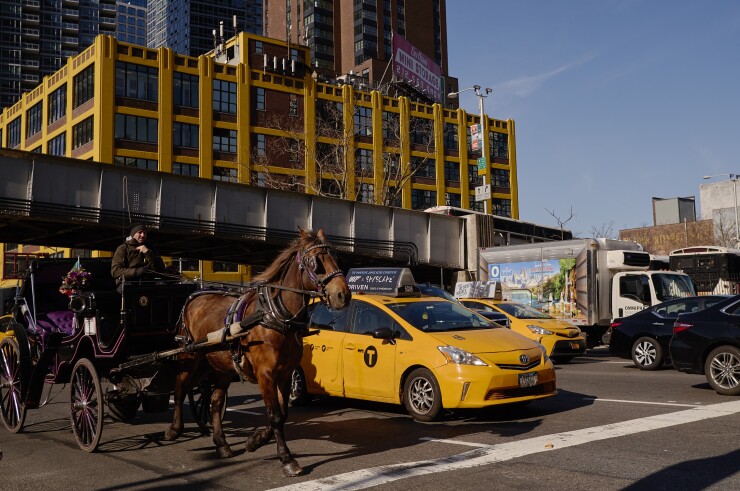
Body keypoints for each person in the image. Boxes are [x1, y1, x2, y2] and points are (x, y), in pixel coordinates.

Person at [111, 224, 166, 292]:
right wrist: (136, 271)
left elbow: (161, 269)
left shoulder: (151, 249)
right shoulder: (123, 248)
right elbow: (115, 271)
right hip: (129, 283)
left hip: (148, 284)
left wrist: (147, 253)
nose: (143, 235)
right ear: (133, 234)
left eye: (145, 233)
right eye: (140, 232)